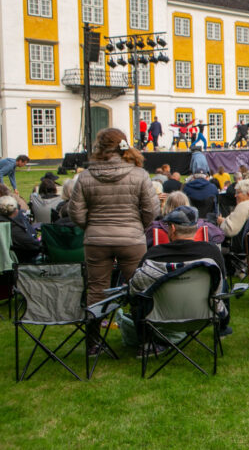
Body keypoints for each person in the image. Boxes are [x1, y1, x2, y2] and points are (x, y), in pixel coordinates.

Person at [68, 128, 160, 355]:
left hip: (97, 240)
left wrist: (91, 227)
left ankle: (92, 343)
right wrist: (138, 226)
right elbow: (152, 209)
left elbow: (75, 212)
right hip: (131, 238)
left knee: (96, 290)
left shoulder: (86, 177)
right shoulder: (139, 175)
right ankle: (145, 342)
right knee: (139, 288)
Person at [123, 206, 231, 352]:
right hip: (204, 314)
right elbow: (221, 283)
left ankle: (147, 344)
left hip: (159, 316)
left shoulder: (154, 254)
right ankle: (223, 327)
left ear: (172, 228)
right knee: (222, 284)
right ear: (197, 228)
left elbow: (134, 288)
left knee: (138, 297)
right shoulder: (211, 252)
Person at [217, 178, 249, 250]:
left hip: (242, 248)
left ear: (247, 194)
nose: (235, 195)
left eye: (238, 193)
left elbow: (230, 231)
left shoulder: (243, 206)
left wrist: (221, 222)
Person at [0, 195, 41, 262]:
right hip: (20, 262)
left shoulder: (8, 226)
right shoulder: (15, 229)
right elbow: (34, 246)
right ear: (16, 210)